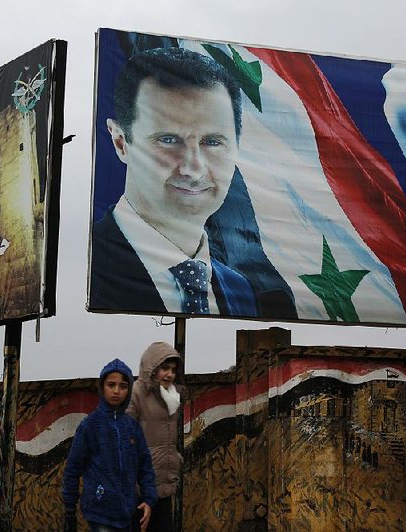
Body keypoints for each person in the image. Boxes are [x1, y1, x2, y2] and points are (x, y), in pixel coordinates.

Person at [89, 47, 258, 317]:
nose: (193, 169)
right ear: (121, 142)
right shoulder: (87, 265)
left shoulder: (241, 291)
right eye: (168, 140)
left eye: (213, 142)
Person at [62, 358, 157, 532]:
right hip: (99, 511)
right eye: (111, 384)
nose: (116, 391)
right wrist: (69, 509)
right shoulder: (89, 425)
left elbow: (146, 467)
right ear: (102, 387)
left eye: (122, 386)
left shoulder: (132, 427)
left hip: (129, 512)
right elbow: (72, 470)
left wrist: (148, 499)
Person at [127, 341, 183, 532]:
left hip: (164, 483)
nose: (170, 374)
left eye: (173, 370)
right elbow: (125, 435)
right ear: (151, 368)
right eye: (164, 368)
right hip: (139, 486)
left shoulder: (172, 396)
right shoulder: (136, 392)